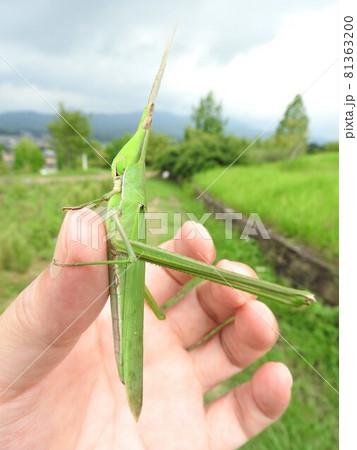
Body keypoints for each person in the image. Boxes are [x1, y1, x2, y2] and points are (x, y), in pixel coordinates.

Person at [0, 210, 292, 449]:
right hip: (126, 270)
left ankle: (288, 295)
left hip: (127, 262)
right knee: (130, 251)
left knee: (131, 252)